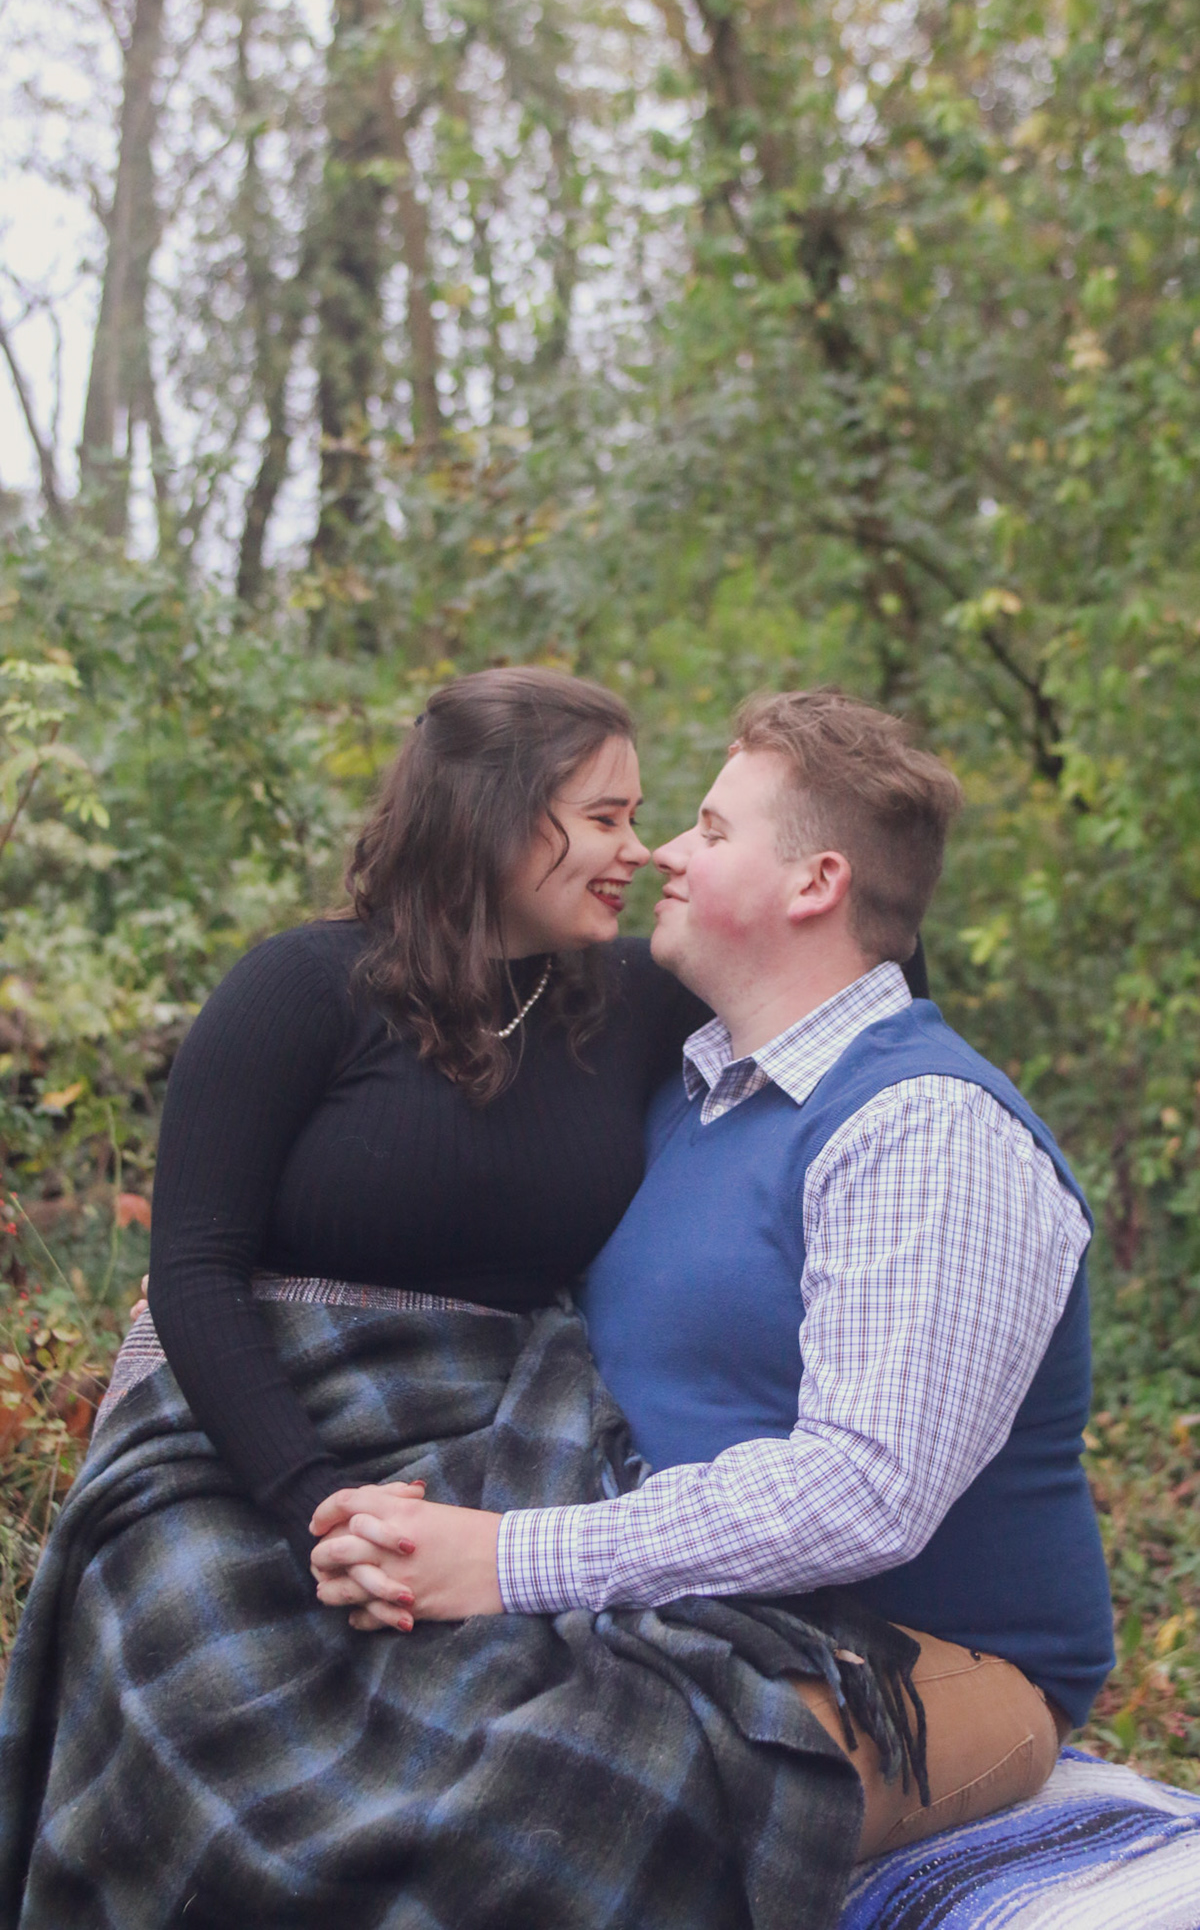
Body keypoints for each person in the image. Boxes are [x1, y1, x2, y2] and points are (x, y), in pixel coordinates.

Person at [0, 668, 931, 1930]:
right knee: (210, 1723)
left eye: (647, 817)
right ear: (492, 815)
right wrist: (313, 1499)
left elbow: (858, 973)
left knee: (543, 1763)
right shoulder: (300, 990)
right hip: (244, 1451)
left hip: (511, 1455)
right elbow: (194, 1272)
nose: (640, 848)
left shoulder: (633, 1000)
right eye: (604, 817)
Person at [311, 688, 1115, 1862]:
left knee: (541, 1809)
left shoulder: (926, 1128)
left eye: (712, 829)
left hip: (923, 1656)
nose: (665, 854)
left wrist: (505, 1557)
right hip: (695, 1606)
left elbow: (861, 1492)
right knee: (326, 1728)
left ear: (816, 884)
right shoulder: (690, 1094)